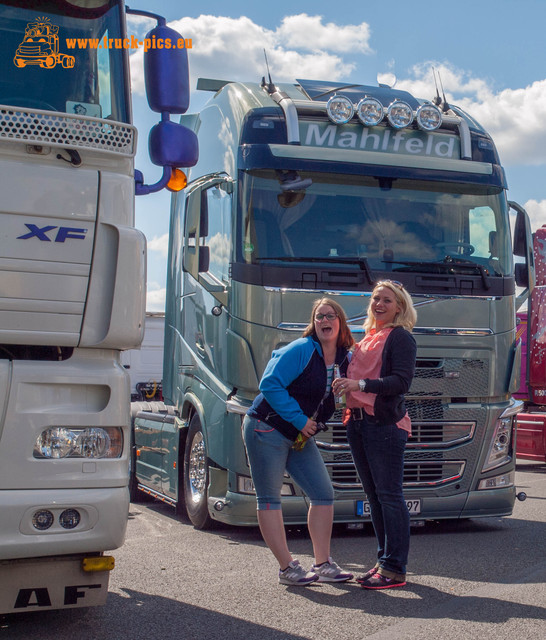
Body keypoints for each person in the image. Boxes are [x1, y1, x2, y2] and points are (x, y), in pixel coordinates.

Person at [243, 298, 355, 586]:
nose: (324, 321)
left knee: (323, 493)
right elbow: (269, 383)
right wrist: (299, 420)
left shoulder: (345, 358)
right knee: (269, 498)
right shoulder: (302, 349)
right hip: (266, 427)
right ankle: (287, 568)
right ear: (313, 322)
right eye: (319, 316)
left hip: (299, 435)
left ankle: (323, 564)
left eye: (330, 316)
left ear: (340, 322)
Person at [332, 280, 417, 589]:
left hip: (383, 425)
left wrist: (361, 385)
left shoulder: (400, 337)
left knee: (390, 496)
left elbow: (401, 382)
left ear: (400, 307)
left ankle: (396, 568)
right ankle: (384, 562)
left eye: (387, 300)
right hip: (356, 422)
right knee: (374, 496)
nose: (379, 304)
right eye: (375, 298)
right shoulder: (368, 337)